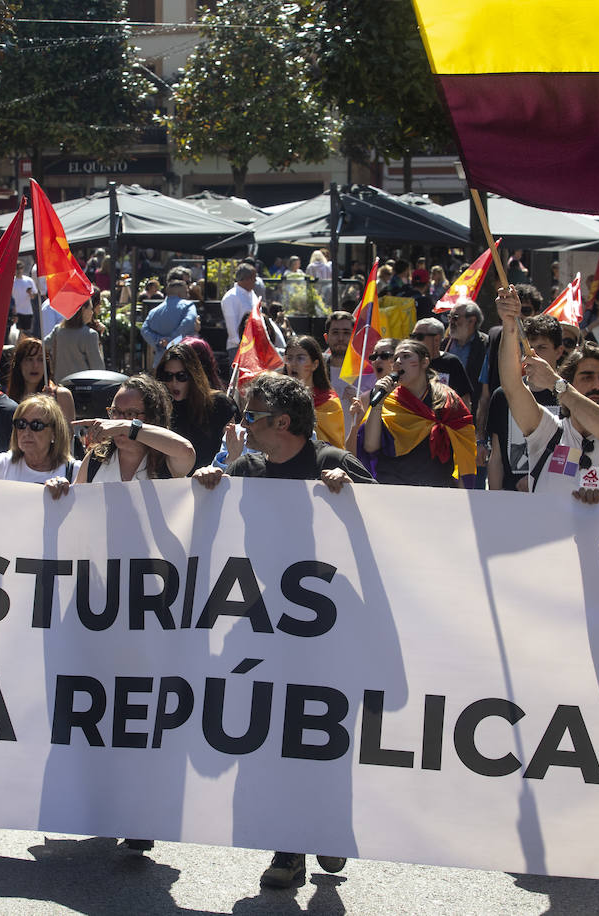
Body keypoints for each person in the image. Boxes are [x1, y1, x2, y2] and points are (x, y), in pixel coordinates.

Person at [191, 371, 369, 887]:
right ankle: (288, 850)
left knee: (326, 738)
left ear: (282, 422)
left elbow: (399, 521)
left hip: (332, 631)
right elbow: (210, 518)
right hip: (268, 628)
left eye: (252, 415)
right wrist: (209, 481)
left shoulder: (330, 463)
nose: (244, 424)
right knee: (277, 738)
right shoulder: (248, 468)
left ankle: (329, 830)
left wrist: (353, 494)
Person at [498, 285, 599, 497]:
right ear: (571, 381)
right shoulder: (548, 432)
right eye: (586, 377)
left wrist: (556, 384)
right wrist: (510, 324)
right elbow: (512, 386)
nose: (597, 385)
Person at [358, 338, 476, 488]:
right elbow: (370, 446)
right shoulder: (387, 400)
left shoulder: (447, 400)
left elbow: (464, 444)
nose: (398, 362)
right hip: (393, 489)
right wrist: (378, 404)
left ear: (425, 363)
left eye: (406, 356)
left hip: (436, 490)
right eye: (395, 359)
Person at [47, 373, 195, 486]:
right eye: (115, 412)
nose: (117, 421)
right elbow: (76, 503)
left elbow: (186, 452)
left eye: (130, 414)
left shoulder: (166, 461)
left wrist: (127, 427)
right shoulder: (95, 458)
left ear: (152, 418)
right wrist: (60, 488)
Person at [485, 315, 566, 491]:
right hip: (510, 499)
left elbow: (571, 451)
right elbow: (496, 456)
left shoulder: (568, 395)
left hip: (555, 498)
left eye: (542, 348)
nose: (532, 353)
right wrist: (494, 500)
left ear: (559, 351)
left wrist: (539, 481)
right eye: (528, 346)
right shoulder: (502, 395)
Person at [0, 394, 77, 483]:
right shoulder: (2, 465)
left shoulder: (74, 471)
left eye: (36, 425)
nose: (26, 432)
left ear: (54, 433)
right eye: (21, 424)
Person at [160, 341, 236, 468]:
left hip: (213, 480)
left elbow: (233, 449)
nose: (174, 383)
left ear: (193, 375)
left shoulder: (220, 405)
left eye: (181, 376)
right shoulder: (159, 408)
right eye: (168, 376)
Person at [283, 335, 349, 449]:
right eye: (289, 358)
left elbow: (335, 445)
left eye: (300, 358)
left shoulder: (330, 403)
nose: (293, 363)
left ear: (315, 364)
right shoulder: (278, 399)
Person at [7, 336, 76, 424]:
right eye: (29, 359)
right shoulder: (8, 399)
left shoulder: (61, 396)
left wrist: (51, 408)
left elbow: (68, 435)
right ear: (19, 364)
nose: (35, 365)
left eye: (40, 359)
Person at [411, 316, 473, 408]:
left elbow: (464, 398)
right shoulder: (411, 363)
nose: (414, 341)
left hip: (445, 419)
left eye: (419, 337)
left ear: (436, 339)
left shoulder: (451, 362)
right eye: (412, 336)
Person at [140, 274, 200, 363]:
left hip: (160, 361)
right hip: (183, 359)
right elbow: (189, 322)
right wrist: (171, 341)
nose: (188, 295)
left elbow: (144, 330)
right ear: (180, 294)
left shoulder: (154, 312)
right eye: (187, 292)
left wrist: (159, 341)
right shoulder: (188, 306)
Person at [45, 297, 105, 382]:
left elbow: (43, 345)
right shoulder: (90, 335)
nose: (92, 313)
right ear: (83, 309)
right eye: (91, 309)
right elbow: (98, 368)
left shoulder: (58, 330)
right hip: (82, 386)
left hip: (61, 384)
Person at [444, 301, 488, 396]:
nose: (451, 322)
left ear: (471, 321)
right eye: (449, 317)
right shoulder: (444, 343)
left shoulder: (486, 345)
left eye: (455, 318)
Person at [221, 263, 259, 358]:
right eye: (253, 278)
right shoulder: (231, 297)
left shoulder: (252, 294)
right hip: (239, 348)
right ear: (246, 279)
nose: (255, 280)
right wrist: (242, 345)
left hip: (254, 345)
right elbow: (232, 327)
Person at [12, 261, 38, 335]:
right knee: (18, 334)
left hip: (27, 311)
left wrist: (30, 293)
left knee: (27, 333)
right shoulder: (12, 282)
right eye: (17, 269)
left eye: (20, 268)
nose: (18, 271)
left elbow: (34, 295)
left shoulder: (29, 280)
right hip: (16, 312)